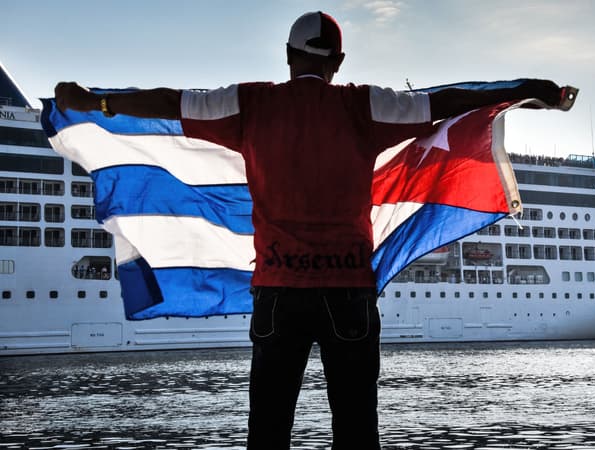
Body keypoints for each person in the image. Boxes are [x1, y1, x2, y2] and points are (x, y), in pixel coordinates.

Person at [54, 11, 566, 449]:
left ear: (287, 55)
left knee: (269, 430)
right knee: (357, 429)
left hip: (279, 293)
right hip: (349, 293)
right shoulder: (362, 105)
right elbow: (447, 101)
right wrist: (521, 91)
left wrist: (97, 103)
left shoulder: (249, 105)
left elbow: (170, 102)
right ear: (337, 63)